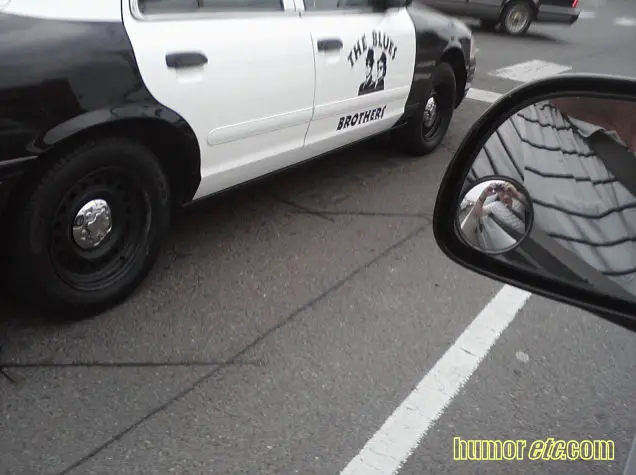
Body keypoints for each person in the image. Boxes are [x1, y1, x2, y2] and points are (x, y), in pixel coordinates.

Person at [467, 96, 636, 294]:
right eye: (501, 193)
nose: (504, 196)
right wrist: (485, 194)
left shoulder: (518, 199)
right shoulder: (519, 128)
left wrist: (518, 199)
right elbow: (475, 212)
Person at [460, 181, 528, 251]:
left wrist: (516, 194)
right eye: (501, 194)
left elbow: (530, 206)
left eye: (507, 192)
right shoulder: (495, 205)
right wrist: (483, 195)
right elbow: (477, 213)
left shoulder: (519, 202)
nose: (505, 196)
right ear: (498, 195)